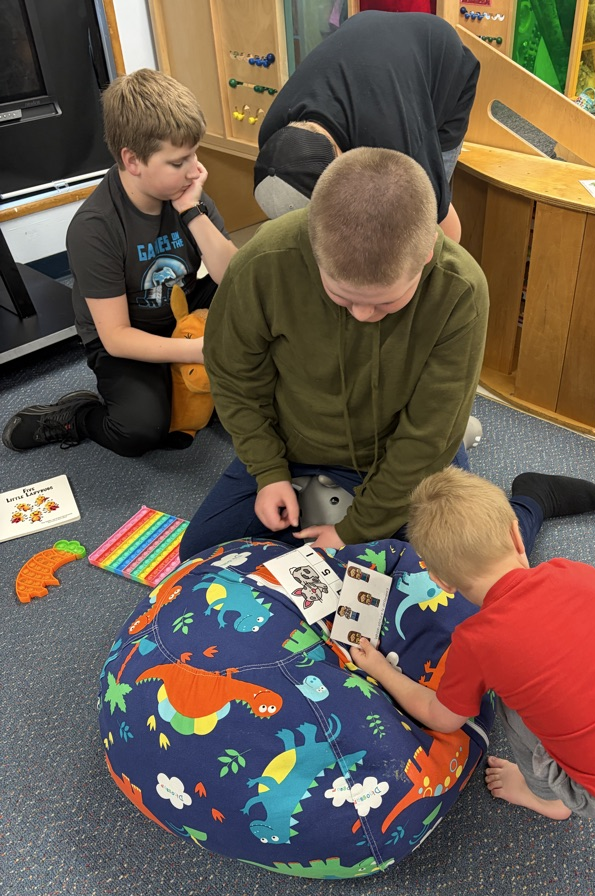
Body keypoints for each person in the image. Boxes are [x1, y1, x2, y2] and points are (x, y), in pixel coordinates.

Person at [351, 466, 595, 823]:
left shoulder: (473, 640)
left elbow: (443, 718)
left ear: (440, 582)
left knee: (511, 705)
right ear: (516, 534)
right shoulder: (567, 571)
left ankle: (547, 798)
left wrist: (379, 667)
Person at [180, 145, 488, 558]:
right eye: (342, 297)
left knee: (461, 574)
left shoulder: (461, 289)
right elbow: (234, 376)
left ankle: (531, 499)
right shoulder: (263, 262)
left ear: (427, 253)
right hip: (296, 452)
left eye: (386, 302)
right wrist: (268, 471)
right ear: (314, 247)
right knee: (199, 556)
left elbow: (427, 437)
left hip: (408, 455)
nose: (363, 314)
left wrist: (354, 529)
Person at [2, 68, 236, 457]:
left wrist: (191, 211)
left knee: (258, 299)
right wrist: (201, 352)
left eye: (194, 153)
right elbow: (117, 336)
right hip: (124, 338)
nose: (196, 170)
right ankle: (76, 415)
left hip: (182, 311)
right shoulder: (95, 228)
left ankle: (182, 380)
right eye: (179, 161)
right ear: (133, 160)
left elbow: (233, 277)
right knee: (140, 431)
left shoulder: (187, 194)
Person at [252, 11, 479, 242]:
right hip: (369, 44)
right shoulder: (271, 133)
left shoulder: (394, 146)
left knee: (417, 221)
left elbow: (441, 224)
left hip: (443, 61)